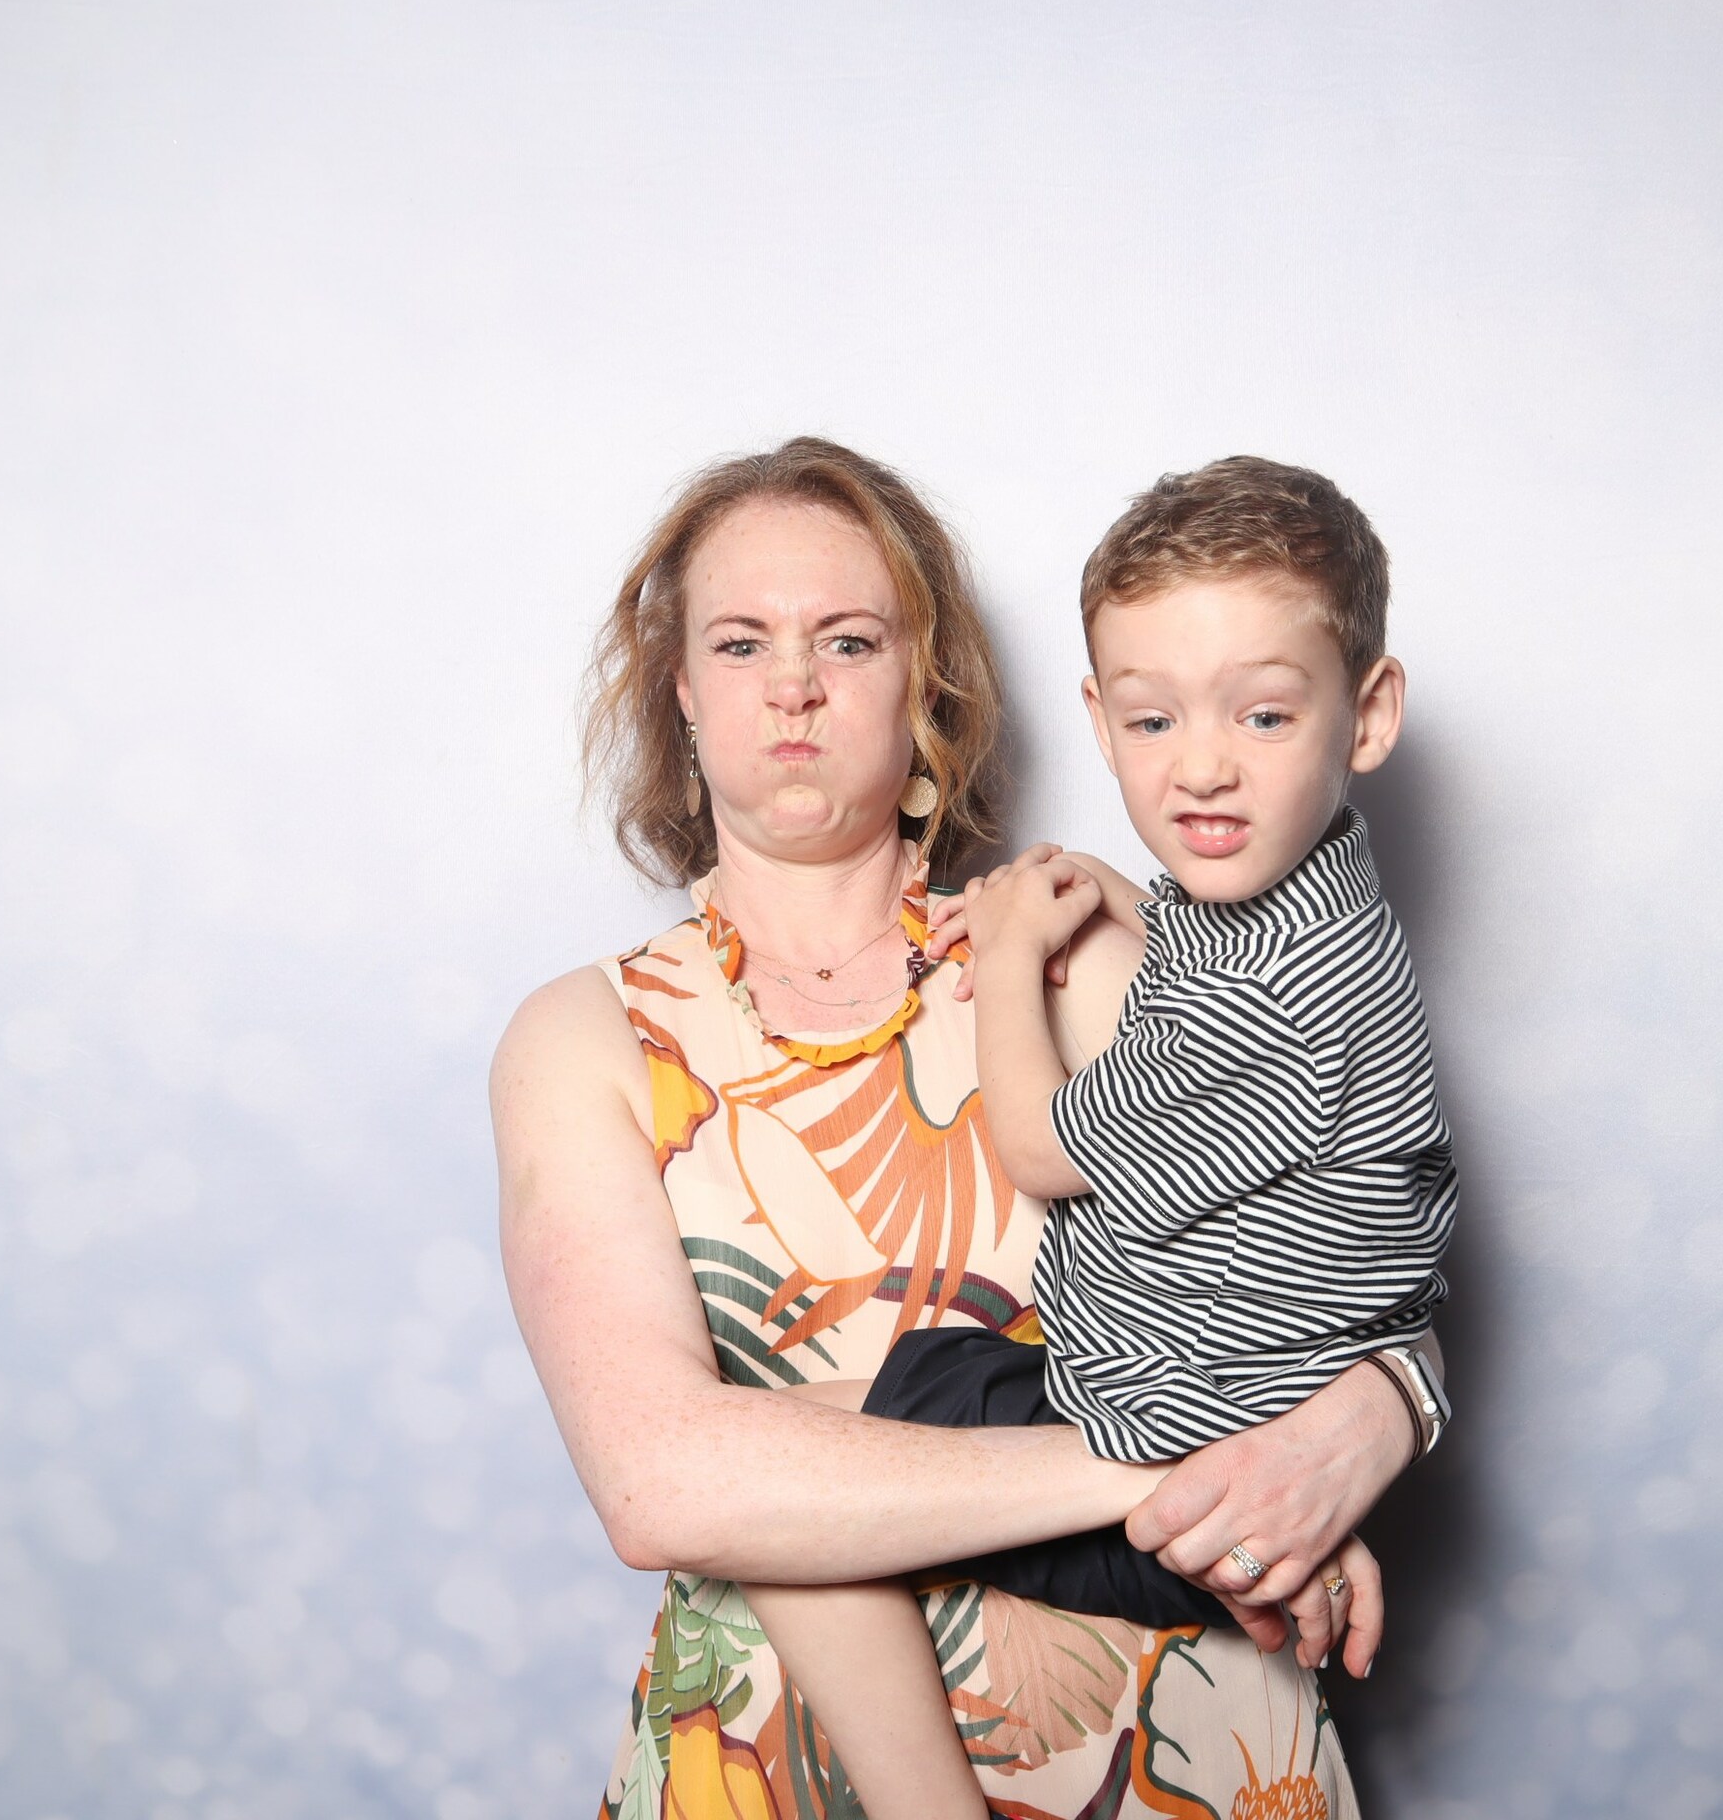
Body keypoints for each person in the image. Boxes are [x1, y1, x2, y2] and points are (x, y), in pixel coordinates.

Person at [490, 437, 1426, 1817]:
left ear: (924, 680)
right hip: (778, 1768)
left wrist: (1378, 1410)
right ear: (681, 689)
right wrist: (1176, 1466)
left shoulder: (1081, 949)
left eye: (848, 640)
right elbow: (663, 1484)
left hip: (1183, 1746)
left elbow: (1339, 1238)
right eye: (741, 644)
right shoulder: (587, 1039)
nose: (795, 685)